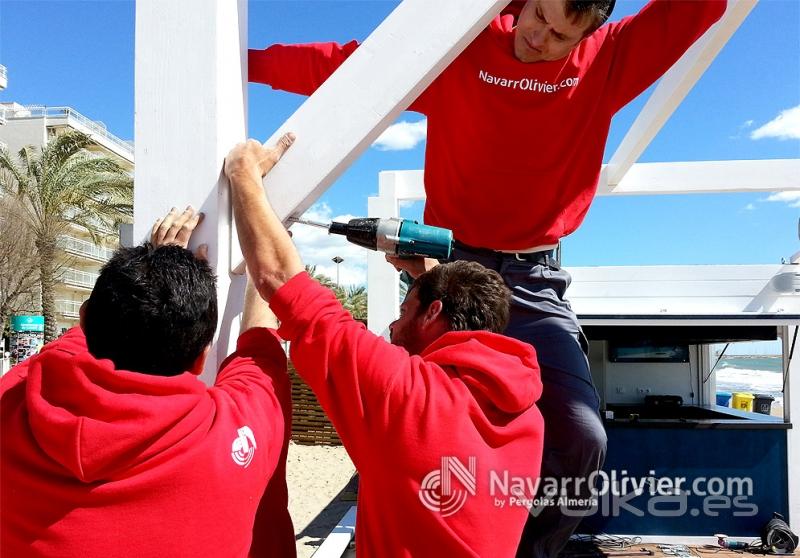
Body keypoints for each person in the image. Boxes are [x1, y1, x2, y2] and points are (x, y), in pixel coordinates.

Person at [248, 0, 727, 554]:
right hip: (453, 266)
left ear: (591, 33)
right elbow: (348, 70)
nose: (539, 37)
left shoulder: (613, 58)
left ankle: (524, 548)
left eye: (561, 34)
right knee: (420, 421)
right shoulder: (464, 45)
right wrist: (251, 64)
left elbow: (698, 8)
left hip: (533, 276)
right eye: (538, 15)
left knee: (582, 436)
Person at [224, 134, 545, 557]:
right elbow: (456, 332)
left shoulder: (407, 395)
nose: (393, 325)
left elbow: (278, 280)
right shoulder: (526, 415)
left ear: (433, 314)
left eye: (404, 308)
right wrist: (427, 283)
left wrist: (242, 172)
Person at [0, 208, 295, 557]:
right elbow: (259, 352)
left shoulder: (12, 405)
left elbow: (61, 351)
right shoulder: (231, 435)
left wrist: (139, 288)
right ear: (202, 358)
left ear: (84, 318)